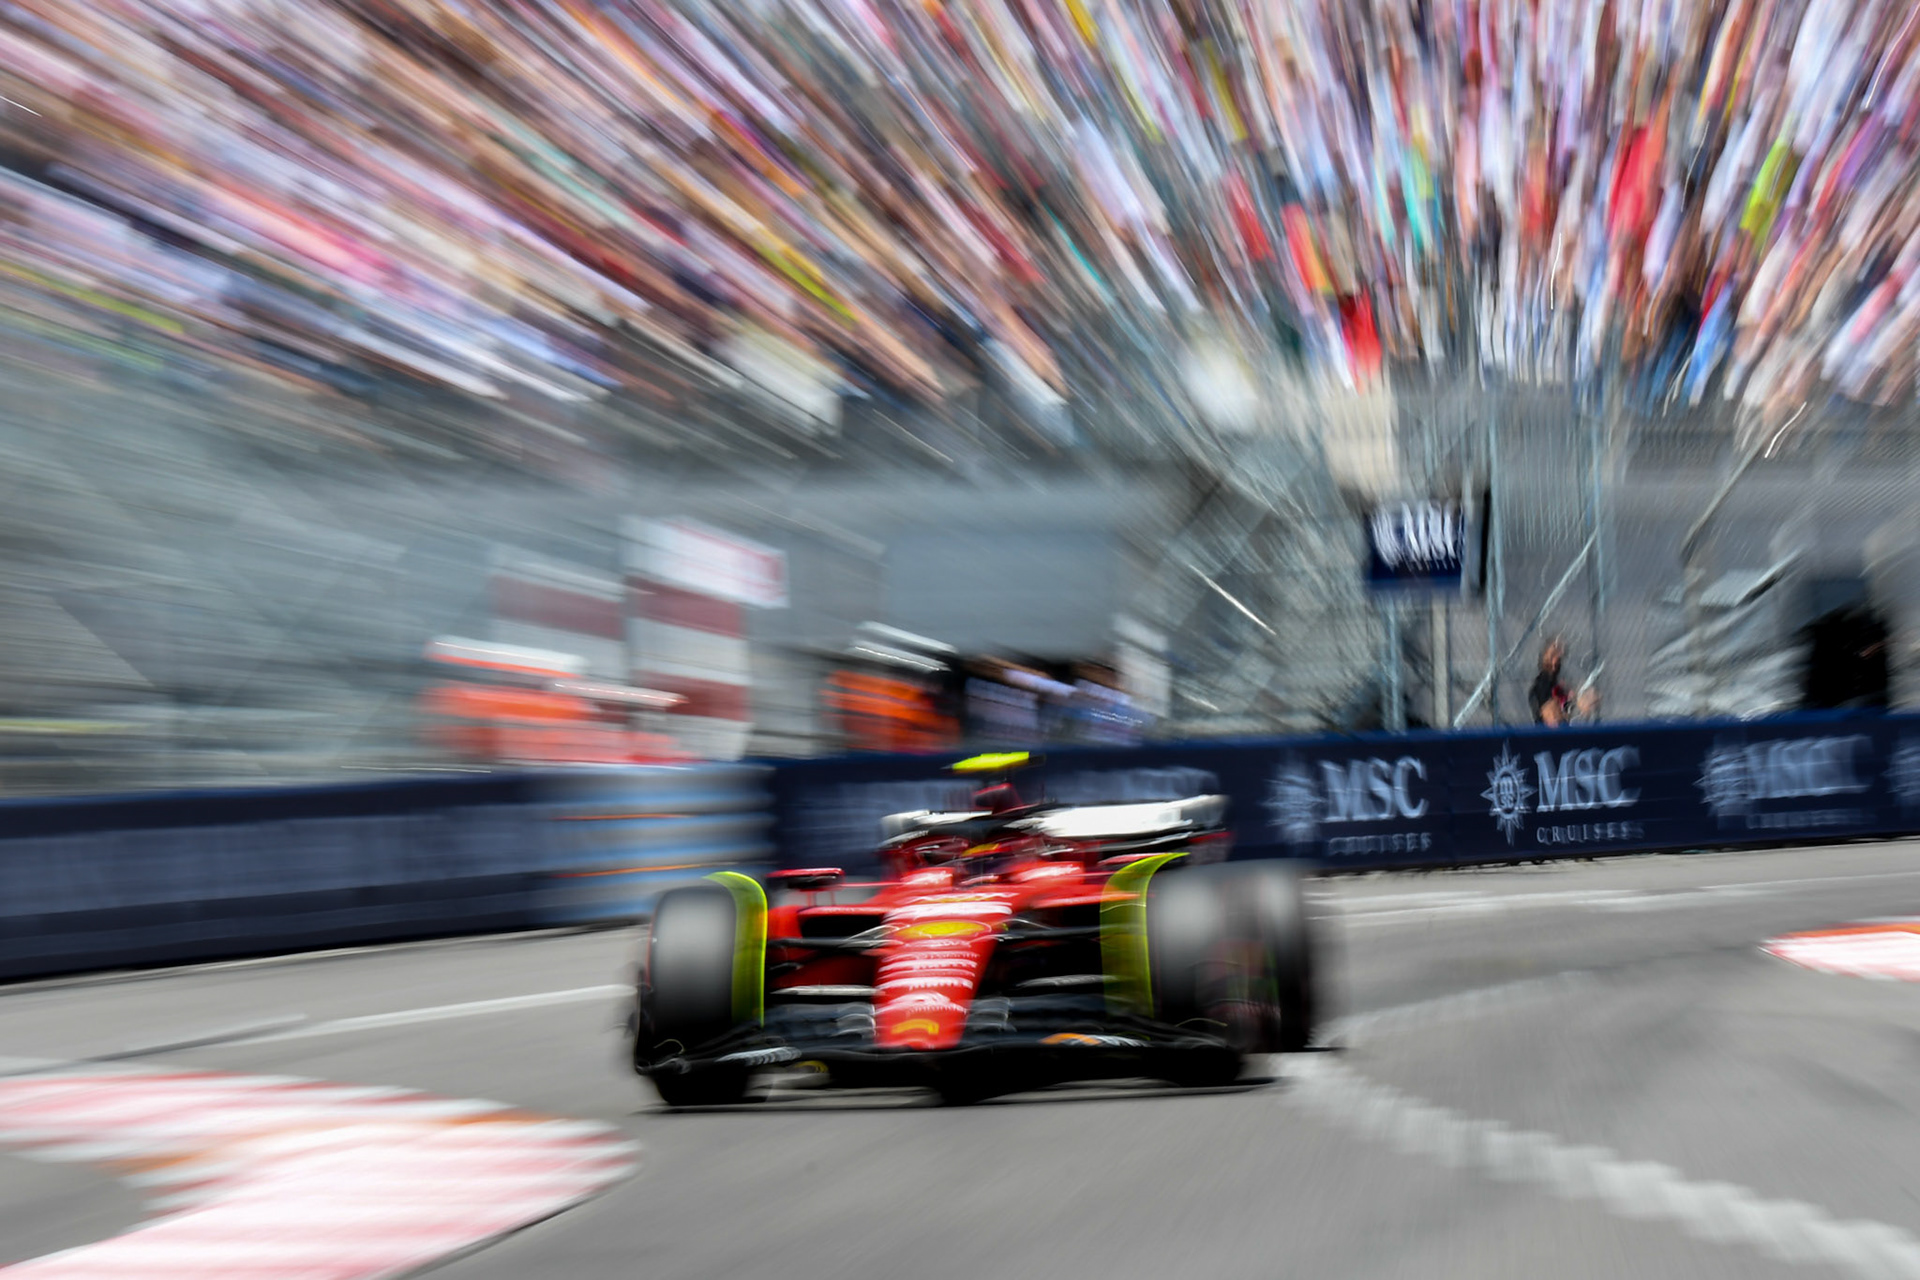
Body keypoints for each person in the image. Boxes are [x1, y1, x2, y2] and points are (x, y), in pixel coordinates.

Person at [1531, 639, 1572, 726]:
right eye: (1552, 655)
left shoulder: (1561, 684)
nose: (1555, 660)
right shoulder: (1540, 686)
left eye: (1558, 657)